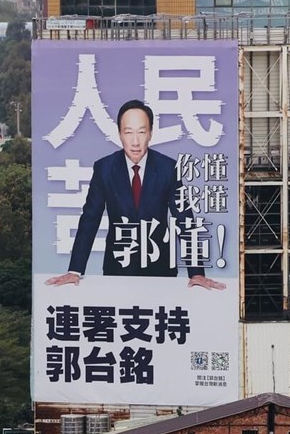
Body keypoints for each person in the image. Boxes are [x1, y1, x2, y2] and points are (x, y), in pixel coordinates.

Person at [45, 100, 226, 291]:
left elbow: (184, 220)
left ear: (150, 134)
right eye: (128, 132)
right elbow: (90, 219)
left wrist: (196, 272)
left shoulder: (169, 169)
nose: (135, 141)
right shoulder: (104, 168)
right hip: (118, 268)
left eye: (141, 132)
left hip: (160, 269)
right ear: (120, 134)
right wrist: (75, 269)